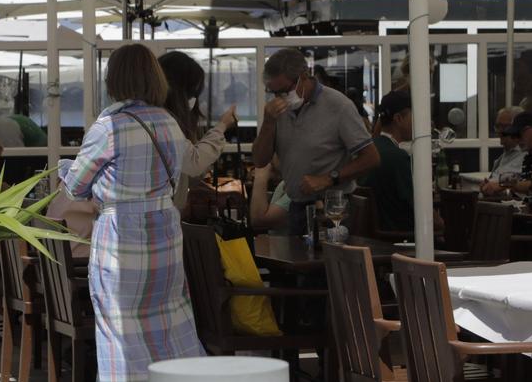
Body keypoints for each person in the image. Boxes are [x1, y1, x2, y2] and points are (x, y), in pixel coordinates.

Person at [58, 44, 205, 382]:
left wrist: (71, 170)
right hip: (164, 237)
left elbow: (76, 189)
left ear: (113, 80)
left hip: (120, 239)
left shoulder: (109, 126)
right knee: (170, 341)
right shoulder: (171, 123)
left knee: (118, 342)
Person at [249, 47, 378, 240]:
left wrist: (329, 178)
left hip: (332, 207)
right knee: (298, 266)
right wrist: (268, 123)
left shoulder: (338, 106)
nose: (280, 98)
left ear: (303, 76)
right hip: (296, 204)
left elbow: (371, 158)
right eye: (273, 92)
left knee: (328, 266)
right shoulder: (277, 112)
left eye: (284, 91)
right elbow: (260, 160)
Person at [157, 50, 238, 211]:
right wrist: (222, 126)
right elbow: (194, 163)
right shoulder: (162, 122)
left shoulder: (168, 121)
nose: (194, 99)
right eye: (192, 92)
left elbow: (191, 175)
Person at [362, 89, 422, 237]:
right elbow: (417, 207)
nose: (418, 122)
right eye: (414, 116)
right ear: (398, 119)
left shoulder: (368, 150)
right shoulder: (397, 157)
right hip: (399, 239)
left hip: (369, 237)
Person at [479, 106, 525, 198]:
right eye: (497, 126)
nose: (500, 131)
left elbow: (522, 188)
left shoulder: (527, 156)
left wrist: (497, 187)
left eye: (504, 127)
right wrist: (486, 185)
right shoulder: (504, 156)